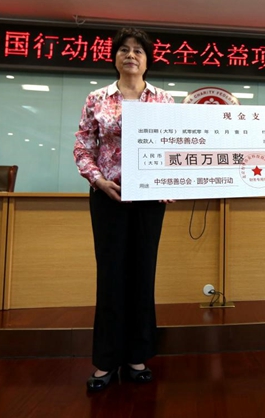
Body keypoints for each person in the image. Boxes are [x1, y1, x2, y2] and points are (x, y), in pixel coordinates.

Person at [74, 28, 175, 391]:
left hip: (149, 200)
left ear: (148, 60)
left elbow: (176, 147)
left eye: (138, 51)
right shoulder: (97, 98)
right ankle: (105, 361)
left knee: (143, 274)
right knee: (111, 275)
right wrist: (98, 180)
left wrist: (173, 182)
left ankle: (137, 356)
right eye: (124, 50)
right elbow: (83, 147)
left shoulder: (164, 100)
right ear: (114, 57)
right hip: (108, 197)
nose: (131, 55)